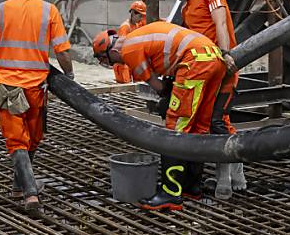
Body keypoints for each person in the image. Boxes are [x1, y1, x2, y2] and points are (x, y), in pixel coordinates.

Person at [92, 21, 226, 211]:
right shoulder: (138, 37)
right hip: (214, 58)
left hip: (194, 63)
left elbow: (159, 87)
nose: (114, 64)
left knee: (174, 128)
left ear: (111, 51)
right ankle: (191, 187)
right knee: (198, 127)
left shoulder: (129, 51)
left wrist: (167, 98)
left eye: (106, 61)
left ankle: (170, 193)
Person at [154, 0, 246, 199]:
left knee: (217, 120)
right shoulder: (185, 9)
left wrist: (225, 54)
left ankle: (227, 173)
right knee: (209, 121)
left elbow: (221, 24)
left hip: (222, 68)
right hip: (204, 71)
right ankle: (233, 169)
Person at [0, 0, 75, 213]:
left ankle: (25, 191)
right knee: (32, 138)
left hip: (7, 87)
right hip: (36, 87)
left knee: (18, 141)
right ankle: (26, 191)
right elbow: (62, 51)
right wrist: (68, 75)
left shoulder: (2, 10)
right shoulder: (50, 10)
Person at [113, 0, 147, 83]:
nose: (141, 18)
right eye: (140, 16)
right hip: (123, 62)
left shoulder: (136, 25)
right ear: (133, 13)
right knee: (125, 84)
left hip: (131, 60)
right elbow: (120, 49)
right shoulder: (125, 27)